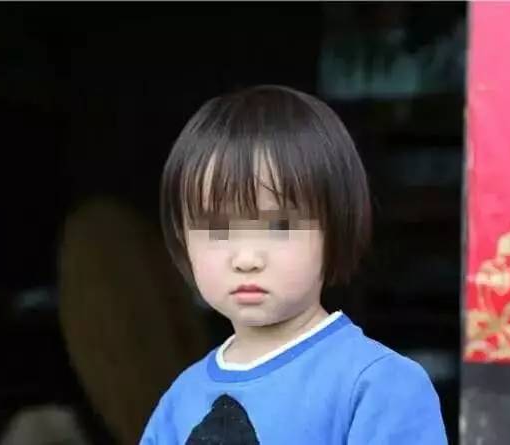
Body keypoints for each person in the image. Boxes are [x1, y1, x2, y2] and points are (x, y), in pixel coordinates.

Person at [140, 85, 447, 444]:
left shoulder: (377, 385)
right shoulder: (181, 400)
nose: (246, 259)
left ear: (335, 229)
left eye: (279, 227)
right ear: (182, 238)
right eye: (218, 229)